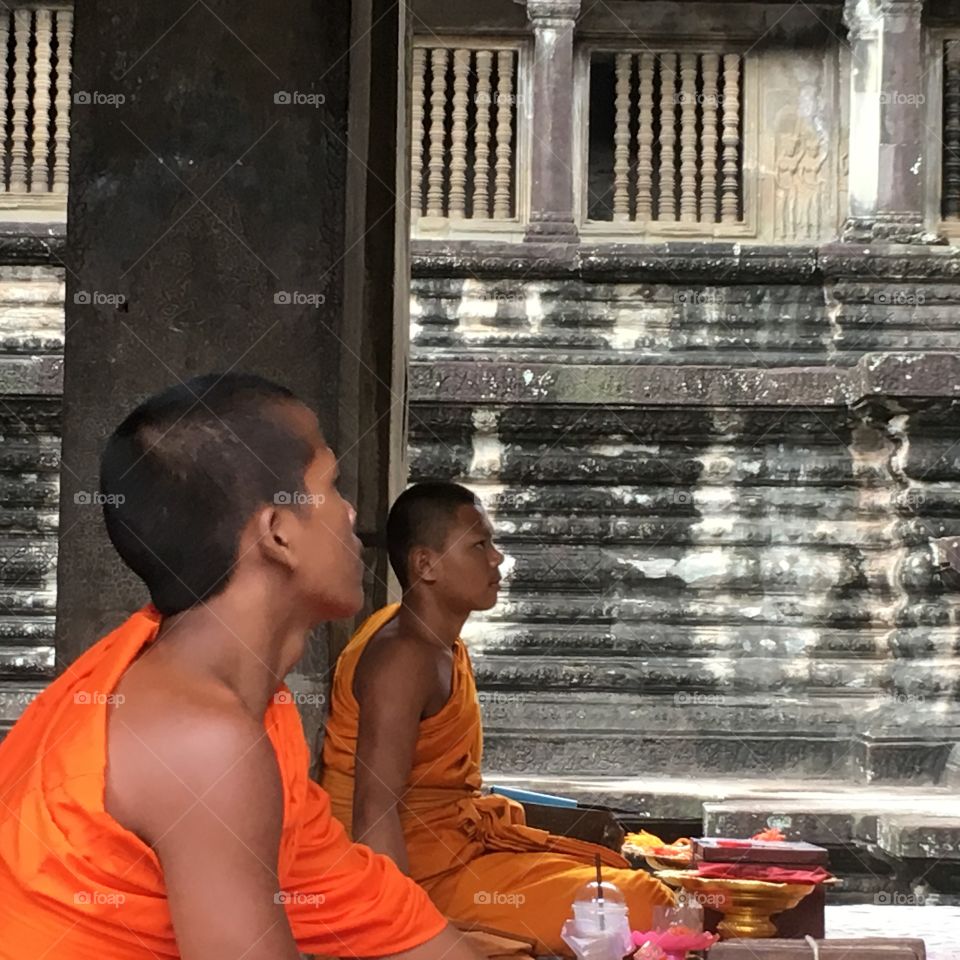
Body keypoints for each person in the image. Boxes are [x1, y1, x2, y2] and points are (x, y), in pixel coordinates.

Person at [0, 374, 482, 960]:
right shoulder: (204, 740)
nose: (351, 512)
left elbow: (381, 915)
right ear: (278, 534)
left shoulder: (253, 710)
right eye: (330, 486)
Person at [321, 482, 673, 955]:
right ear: (426, 565)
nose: (497, 558)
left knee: (616, 878)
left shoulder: (434, 643)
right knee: (644, 903)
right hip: (418, 877)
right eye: (479, 545)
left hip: (458, 853)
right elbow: (374, 813)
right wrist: (401, 933)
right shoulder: (402, 658)